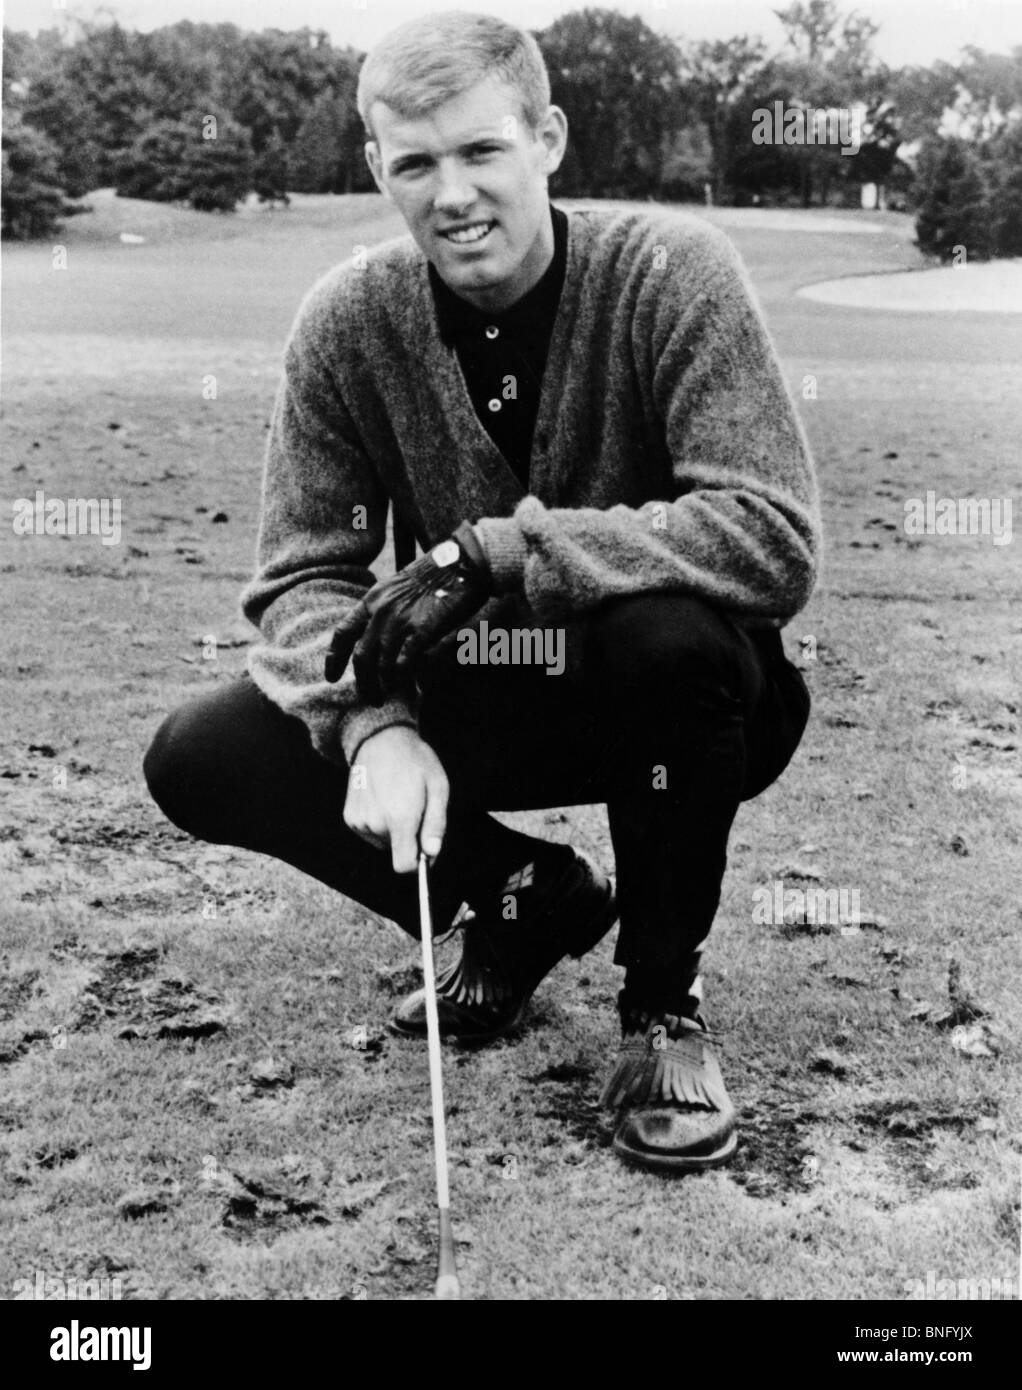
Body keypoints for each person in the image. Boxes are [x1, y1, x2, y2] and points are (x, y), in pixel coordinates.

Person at [144, 10, 821, 1173]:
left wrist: (491, 553)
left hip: (684, 706)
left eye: (479, 152)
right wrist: (373, 724)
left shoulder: (671, 274)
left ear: (546, 138)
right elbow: (304, 572)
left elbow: (768, 534)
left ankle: (661, 1006)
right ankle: (518, 897)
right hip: (478, 697)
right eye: (414, 163)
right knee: (201, 751)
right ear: (376, 168)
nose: (451, 193)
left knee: (664, 639)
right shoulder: (349, 322)